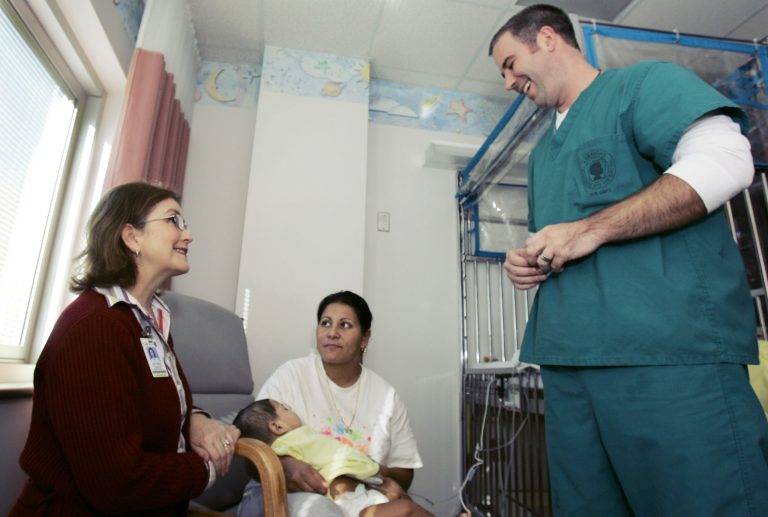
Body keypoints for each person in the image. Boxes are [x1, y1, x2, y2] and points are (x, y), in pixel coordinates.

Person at [489, 4, 768, 516]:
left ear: (547, 38)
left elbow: (728, 160)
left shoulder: (642, 86)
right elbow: (559, 238)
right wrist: (528, 262)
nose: (507, 81)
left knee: (701, 501)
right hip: (569, 363)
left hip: (665, 357)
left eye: (509, 63)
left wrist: (590, 230)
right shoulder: (542, 155)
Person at [11, 182, 240, 515]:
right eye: (174, 220)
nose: (188, 236)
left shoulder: (149, 319)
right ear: (132, 237)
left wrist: (196, 419)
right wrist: (207, 468)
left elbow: (154, 405)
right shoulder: (93, 329)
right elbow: (117, 484)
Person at [247, 291, 431, 517]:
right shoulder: (291, 375)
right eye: (325, 323)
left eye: (345, 325)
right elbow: (252, 444)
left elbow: (404, 471)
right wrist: (284, 465)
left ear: (365, 338)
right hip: (285, 495)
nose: (332, 333)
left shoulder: (386, 397)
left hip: (357, 497)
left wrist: (378, 477)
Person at [234, 399, 414, 516]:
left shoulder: (301, 442)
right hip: (349, 503)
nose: (292, 409)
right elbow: (254, 457)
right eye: (286, 408)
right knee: (408, 509)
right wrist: (283, 463)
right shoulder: (292, 442)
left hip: (359, 496)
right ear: (277, 427)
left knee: (406, 506)